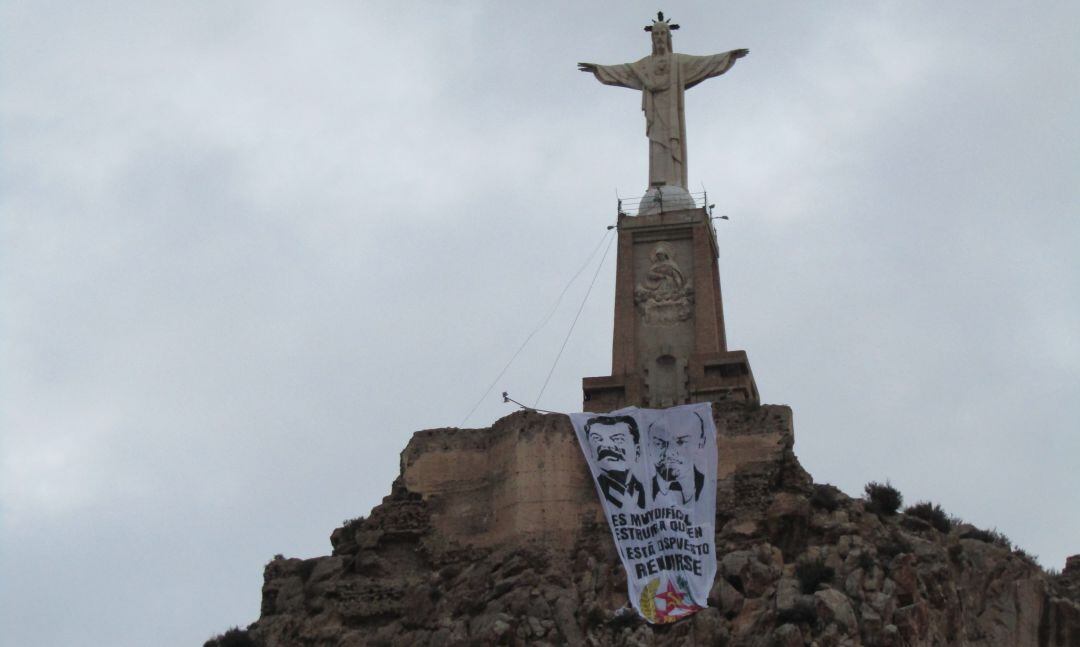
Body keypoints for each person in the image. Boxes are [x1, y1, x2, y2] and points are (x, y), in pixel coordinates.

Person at [578, 13, 748, 191]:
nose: (659, 37)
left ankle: (674, 184)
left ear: (668, 37)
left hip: (672, 114)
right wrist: (599, 68)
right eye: (656, 34)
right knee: (656, 144)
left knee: (672, 143)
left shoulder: (678, 62)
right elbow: (624, 71)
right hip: (656, 115)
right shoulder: (644, 66)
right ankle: (657, 185)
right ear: (652, 38)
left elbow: (703, 63)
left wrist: (728, 56)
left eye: (662, 34)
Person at [584, 415, 646, 509]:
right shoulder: (589, 493)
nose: (607, 445)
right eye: (597, 439)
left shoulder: (646, 492)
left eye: (618, 439)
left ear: (637, 451)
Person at [649, 410, 706, 505]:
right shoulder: (638, 491)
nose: (668, 453)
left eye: (680, 442)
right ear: (648, 446)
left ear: (700, 443)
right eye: (659, 443)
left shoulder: (712, 488)